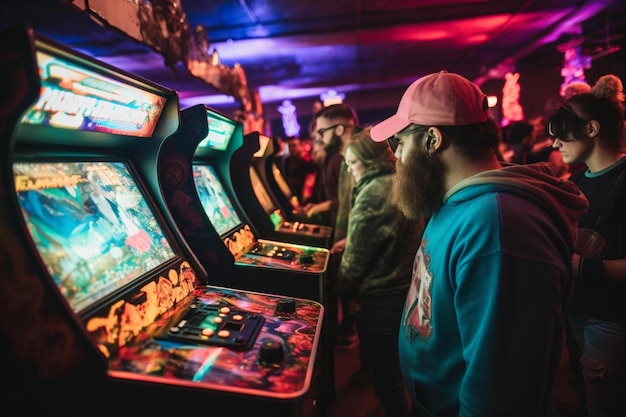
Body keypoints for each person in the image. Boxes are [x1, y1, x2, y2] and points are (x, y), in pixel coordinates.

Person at [369, 70, 588, 416]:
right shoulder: (459, 203)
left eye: (399, 142)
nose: (395, 155)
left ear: (432, 140)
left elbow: (500, 391)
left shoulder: (497, 225)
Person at [546, 89, 626, 417]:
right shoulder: (578, 179)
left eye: (562, 134)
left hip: (613, 316)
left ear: (591, 129)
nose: (554, 144)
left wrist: (585, 268)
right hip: (581, 310)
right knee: (594, 396)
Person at [337, 129, 424, 417]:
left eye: (352, 164)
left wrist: (342, 295)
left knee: (386, 380)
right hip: (400, 294)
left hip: (377, 301)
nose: (350, 171)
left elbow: (354, 263)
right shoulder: (397, 181)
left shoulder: (374, 191)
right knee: (396, 374)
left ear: (370, 162)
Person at [283, 136, 318, 204]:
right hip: (291, 197)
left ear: (301, 145)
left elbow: (309, 182)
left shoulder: (307, 161)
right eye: (289, 146)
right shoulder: (287, 160)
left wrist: (304, 200)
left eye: (294, 146)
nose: (291, 149)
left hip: (305, 200)